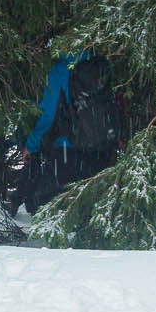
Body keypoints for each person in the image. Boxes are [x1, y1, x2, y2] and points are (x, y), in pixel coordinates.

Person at [15, 48, 124, 212]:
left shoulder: (60, 70)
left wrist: (31, 146)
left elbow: (47, 116)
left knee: (41, 205)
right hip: (104, 148)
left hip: (70, 151)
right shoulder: (102, 65)